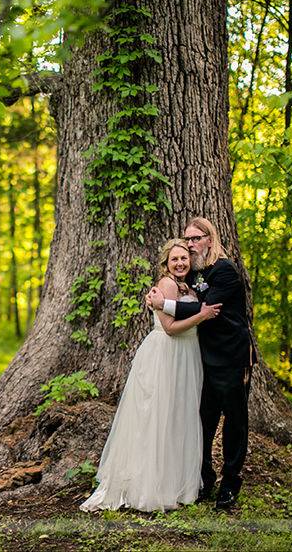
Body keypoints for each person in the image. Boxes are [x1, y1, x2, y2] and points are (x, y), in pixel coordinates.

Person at [80, 239, 221, 513]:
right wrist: (202, 316)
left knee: (180, 417)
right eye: (174, 259)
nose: (180, 263)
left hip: (187, 354)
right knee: (159, 417)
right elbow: (170, 328)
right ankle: (152, 485)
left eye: (184, 258)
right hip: (167, 353)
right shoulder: (166, 284)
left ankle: (178, 482)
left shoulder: (190, 285)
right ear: (166, 263)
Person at [146, 217, 252, 511]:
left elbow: (203, 309)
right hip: (201, 359)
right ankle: (203, 477)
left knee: (234, 422)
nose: (190, 245)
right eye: (187, 239)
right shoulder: (193, 274)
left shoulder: (226, 271)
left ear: (209, 239)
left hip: (231, 358)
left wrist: (162, 305)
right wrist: (158, 294)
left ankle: (230, 484)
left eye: (195, 239)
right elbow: (181, 294)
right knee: (201, 422)